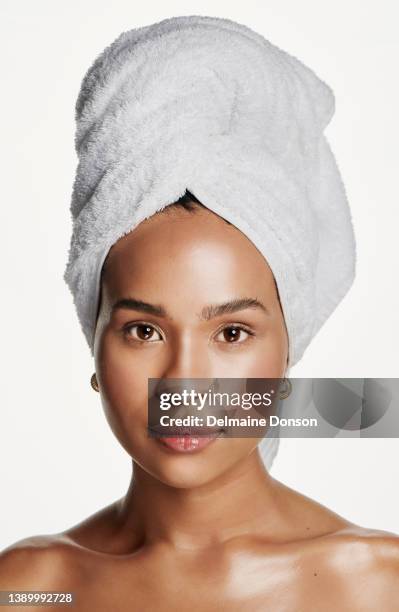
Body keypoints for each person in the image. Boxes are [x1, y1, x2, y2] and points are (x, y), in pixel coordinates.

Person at [1, 15, 398, 611]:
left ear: (287, 352)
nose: (184, 383)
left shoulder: (378, 585)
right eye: (144, 330)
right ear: (96, 346)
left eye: (232, 332)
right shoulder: (33, 591)